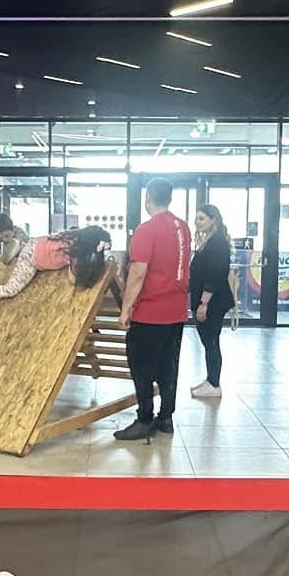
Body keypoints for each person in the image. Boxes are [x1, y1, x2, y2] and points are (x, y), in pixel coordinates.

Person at [114, 177, 191, 442]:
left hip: (150, 312)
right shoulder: (183, 228)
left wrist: (125, 309)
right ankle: (165, 418)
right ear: (169, 197)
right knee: (169, 366)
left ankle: (145, 418)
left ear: (148, 198)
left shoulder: (146, 230)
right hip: (176, 310)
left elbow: (138, 272)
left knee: (142, 368)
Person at [0, 225, 112, 317]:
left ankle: (19, 246)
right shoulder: (75, 253)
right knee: (11, 289)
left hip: (35, 244)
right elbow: (73, 280)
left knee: (22, 257)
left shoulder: (73, 237)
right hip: (32, 259)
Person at [188, 202, 233, 398]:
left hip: (212, 303)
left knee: (211, 341)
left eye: (202, 218)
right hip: (206, 300)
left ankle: (214, 384)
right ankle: (211, 380)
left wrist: (203, 303)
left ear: (213, 220)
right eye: (196, 219)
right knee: (209, 341)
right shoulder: (209, 241)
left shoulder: (217, 243)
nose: (197, 222)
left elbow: (214, 275)